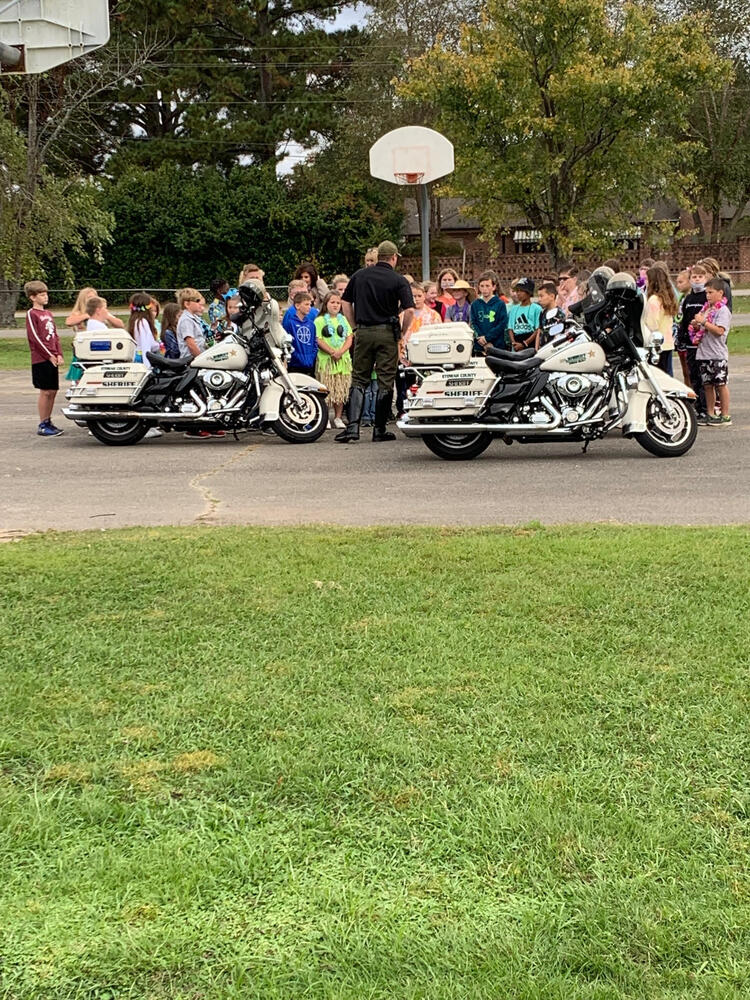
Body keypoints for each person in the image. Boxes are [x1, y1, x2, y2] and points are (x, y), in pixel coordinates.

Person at [337, 239, 415, 443]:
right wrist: (402, 331)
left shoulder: (359, 275)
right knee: (385, 381)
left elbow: (345, 302)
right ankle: (379, 429)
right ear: (394, 257)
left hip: (363, 331)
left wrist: (354, 326)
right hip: (387, 332)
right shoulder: (398, 280)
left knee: (359, 378)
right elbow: (409, 310)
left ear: (379, 256)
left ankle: (352, 427)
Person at [175, 289, 224, 440]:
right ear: (187, 304)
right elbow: (190, 343)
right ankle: (194, 427)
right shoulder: (186, 320)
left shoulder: (195, 319)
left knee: (209, 391)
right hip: (192, 360)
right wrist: (201, 358)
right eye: (197, 302)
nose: (201, 305)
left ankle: (212, 423)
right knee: (198, 393)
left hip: (200, 359)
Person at [24, 280, 65, 436]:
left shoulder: (48, 314)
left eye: (46, 293)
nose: (45, 297)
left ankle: (48, 420)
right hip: (41, 359)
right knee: (45, 391)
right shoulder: (31, 314)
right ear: (33, 297)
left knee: (53, 391)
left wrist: (59, 353)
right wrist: (48, 355)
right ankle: (42, 423)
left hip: (53, 357)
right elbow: (34, 337)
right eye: (41, 295)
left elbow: (55, 335)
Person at [692, 277, 731, 425]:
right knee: (707, 385)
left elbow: (719, 331)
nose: (707, 295)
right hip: (704, 353)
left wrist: (704, 322)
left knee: (720, 384)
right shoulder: (707, 309)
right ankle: (710, 413)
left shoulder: (723, 311)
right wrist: (697, 325)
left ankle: (725, 415)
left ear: (720, 293)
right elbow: (703, 329)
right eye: (706, 292)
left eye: (711, 292)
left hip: (717, 354)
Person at [314, 291, 353, 429]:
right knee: (326, 389)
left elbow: (349, 337)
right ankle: (326, 417)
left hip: (342, 360)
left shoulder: (343, 319)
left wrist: (341, 352)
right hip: (326, 360)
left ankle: (338, 417)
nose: (335, 305)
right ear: (326, 304)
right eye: (332, 302)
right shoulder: (319, 321)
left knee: (340, 390)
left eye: (338, 302)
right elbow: (318, 339)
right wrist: (331, 352)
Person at [677, 264, 709, 419]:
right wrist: (682, 337)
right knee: (693, 375)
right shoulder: (688, 299)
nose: (697, 280)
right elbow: (683, 320)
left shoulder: (705, 297)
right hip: (689, 343)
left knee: (704, 376)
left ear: (705, 278)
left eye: (700, 277)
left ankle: (705, 407)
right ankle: (697, 406)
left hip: (702, 342)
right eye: (694, 277)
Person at [644, 266, 677, 375]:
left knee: (658, 375)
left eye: (647, 279)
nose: (645, 282)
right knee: (668, 373)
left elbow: (652, 324)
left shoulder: (653, 300)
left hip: (657, 344)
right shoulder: (667, 298)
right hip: (668, 342)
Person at [282, 290, 319, 376]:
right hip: (295, 365)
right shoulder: (290, 323)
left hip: (309, 364)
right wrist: (297, 357)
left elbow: (314, 343)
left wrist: (311, 357)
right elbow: (287, 344)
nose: (309, 307)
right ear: (297, 305)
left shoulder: (311, 324)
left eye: (310, 304)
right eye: (306, 304)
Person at [470, 270, 508, 352]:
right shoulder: (475, 304)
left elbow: (502, 324)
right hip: (479, 346)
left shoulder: (500, 304)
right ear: (479, 287)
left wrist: (487, 338)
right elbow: (473, 324)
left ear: (494, 287)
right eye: (482, 286)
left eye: (487, 286)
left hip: (497, 345)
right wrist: (482, 340)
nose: (484, 289)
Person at [507, 277, 542, 351]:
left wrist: (525, 344)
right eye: (517, 291)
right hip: (516, 341)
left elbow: (537, 329)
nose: (518, 293)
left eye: (521, 291)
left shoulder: (537, 309)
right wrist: (514, 343)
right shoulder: (513, 309)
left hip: (530, 341)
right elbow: (510, 329)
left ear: (529, 292)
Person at [129, 292, 161, 369]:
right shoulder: (142, 322)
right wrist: (147, 366)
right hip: (143, 358)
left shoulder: (135, 321)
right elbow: (145, 344)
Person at [673, 267, 692, 385]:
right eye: (677, 282)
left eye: (681, 282)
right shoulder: (680, 298)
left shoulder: (690, 298)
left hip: (688, 337)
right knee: (685, 371)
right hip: (680, 337)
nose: (678, 285)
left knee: (690, 371)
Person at [536, 281, 566, 345]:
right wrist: (536, 349)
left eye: (541, 296)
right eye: (538, 296)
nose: (539, 299)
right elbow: (539, 332)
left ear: (552, 296)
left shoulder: (560, 314)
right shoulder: (542, 313)